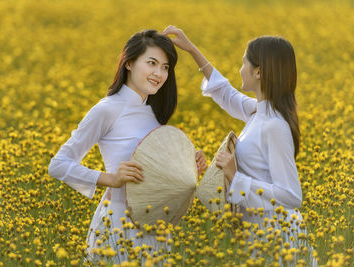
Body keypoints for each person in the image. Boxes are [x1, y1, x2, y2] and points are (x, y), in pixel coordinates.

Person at [47, 29, 207, 265]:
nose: (159, 73)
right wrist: (110, 179)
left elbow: (155, 169)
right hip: (118, 224)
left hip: (155, 227)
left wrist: (188, 163)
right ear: (129, 63)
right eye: (151, 63)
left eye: (165, 67)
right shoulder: (108, 108)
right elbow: (58, 165)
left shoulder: (153, 114)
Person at [163, 25, 317, 265]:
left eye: (244, 63)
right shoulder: (259, 112)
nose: (240, 69)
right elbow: (226, 94)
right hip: (258, 233)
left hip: (279, 239)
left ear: (258, 72)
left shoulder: (274, 125)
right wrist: (191, 49)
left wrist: (236, 177)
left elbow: (291, 196)